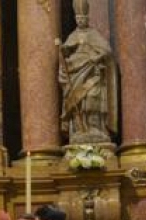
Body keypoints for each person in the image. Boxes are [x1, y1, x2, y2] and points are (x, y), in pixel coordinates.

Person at [58, 0, 116, 144]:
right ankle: (79, 129)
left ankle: (95, 128)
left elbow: (107, 50)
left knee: (91, 98)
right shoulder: (73, 35)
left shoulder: (93, 34)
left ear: (87, 19)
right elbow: (66, 50)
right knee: (77, 101)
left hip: (92, 73)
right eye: (78, 19)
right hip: (76, 72)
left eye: (83, 19)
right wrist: (64, 50)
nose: (80, 21)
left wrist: (96, 56)